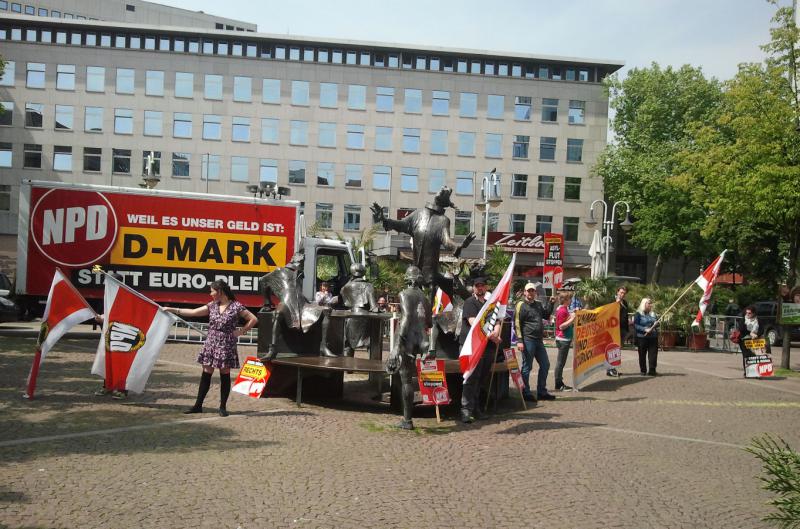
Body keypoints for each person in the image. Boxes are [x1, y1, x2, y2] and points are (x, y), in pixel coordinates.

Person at [165, 279, 257, 416]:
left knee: (224, 374)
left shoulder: (236, 306)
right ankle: (198, 405)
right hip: (211, 342)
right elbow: (193, 312)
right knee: (206, 373)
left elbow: (253, 319)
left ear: (220, 291)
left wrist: (241, 331)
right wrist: (172, 309)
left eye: (212, 291)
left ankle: (222, 407)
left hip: (226, 343)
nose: (210, 293)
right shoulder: (212, 305)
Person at [459, 276, 501, 423]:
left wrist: (496, 332)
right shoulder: (470, 302)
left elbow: (496, 320)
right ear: (473, 288)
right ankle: (466, 410)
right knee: (471, 378)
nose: (480, 288)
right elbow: (474, 323)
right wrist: (492, 336)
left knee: (481, 379)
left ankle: (476, 409)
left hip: (487, 347)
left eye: (482, 286)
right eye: (477, 286)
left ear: (486, 287)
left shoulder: (490, 304)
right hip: (473, 346)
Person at [513, 282, 554, 402]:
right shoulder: (520, 305)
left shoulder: (538, 304)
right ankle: (525, 392)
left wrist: (551, 303)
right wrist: (519, 341)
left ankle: (541, 391)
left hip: (539, 340)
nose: (531, 293)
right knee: (527, 367)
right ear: (525, 292)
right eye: (528, 290)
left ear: (535, 292)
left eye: (533, 291)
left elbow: (546, 315)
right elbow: (517, 324)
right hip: (527, 340)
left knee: (545, 365)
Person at [553, 291, 576, 391]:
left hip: (563, 339)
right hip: (563, 339)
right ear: (566, 300)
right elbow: (561, 326)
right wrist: (572, 319)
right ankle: (558, 384)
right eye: (570, 299)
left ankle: (559, 383)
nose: (571, 300)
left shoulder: (563, 309)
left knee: (561, 362)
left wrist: (571, 316)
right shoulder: (562, 310)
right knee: (560, 363)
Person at [608, 286, 630, 377]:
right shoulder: (612, 301)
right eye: (621, 292)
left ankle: (613, 368)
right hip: (614, 329)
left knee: (617, 349)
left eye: (624, 293)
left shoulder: (624, 302)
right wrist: (616, 304)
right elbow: (609, 313)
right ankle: (610, 369)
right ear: (617, 292)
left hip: (623, 329)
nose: (622, 295)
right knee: (612, 349)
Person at [633, 298, 659, 376]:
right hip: (642, 337)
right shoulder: (638, 314)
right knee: (642, 354)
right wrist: (645, 329)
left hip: (653, 337)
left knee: (653, 354)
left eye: (651, 303)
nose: (650, 305)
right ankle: (643, 370)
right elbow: (635, 325)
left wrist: (657, 323)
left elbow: (657, 324)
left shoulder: (653, 314)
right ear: (644, 304)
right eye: (649, 303)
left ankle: (652, 370)